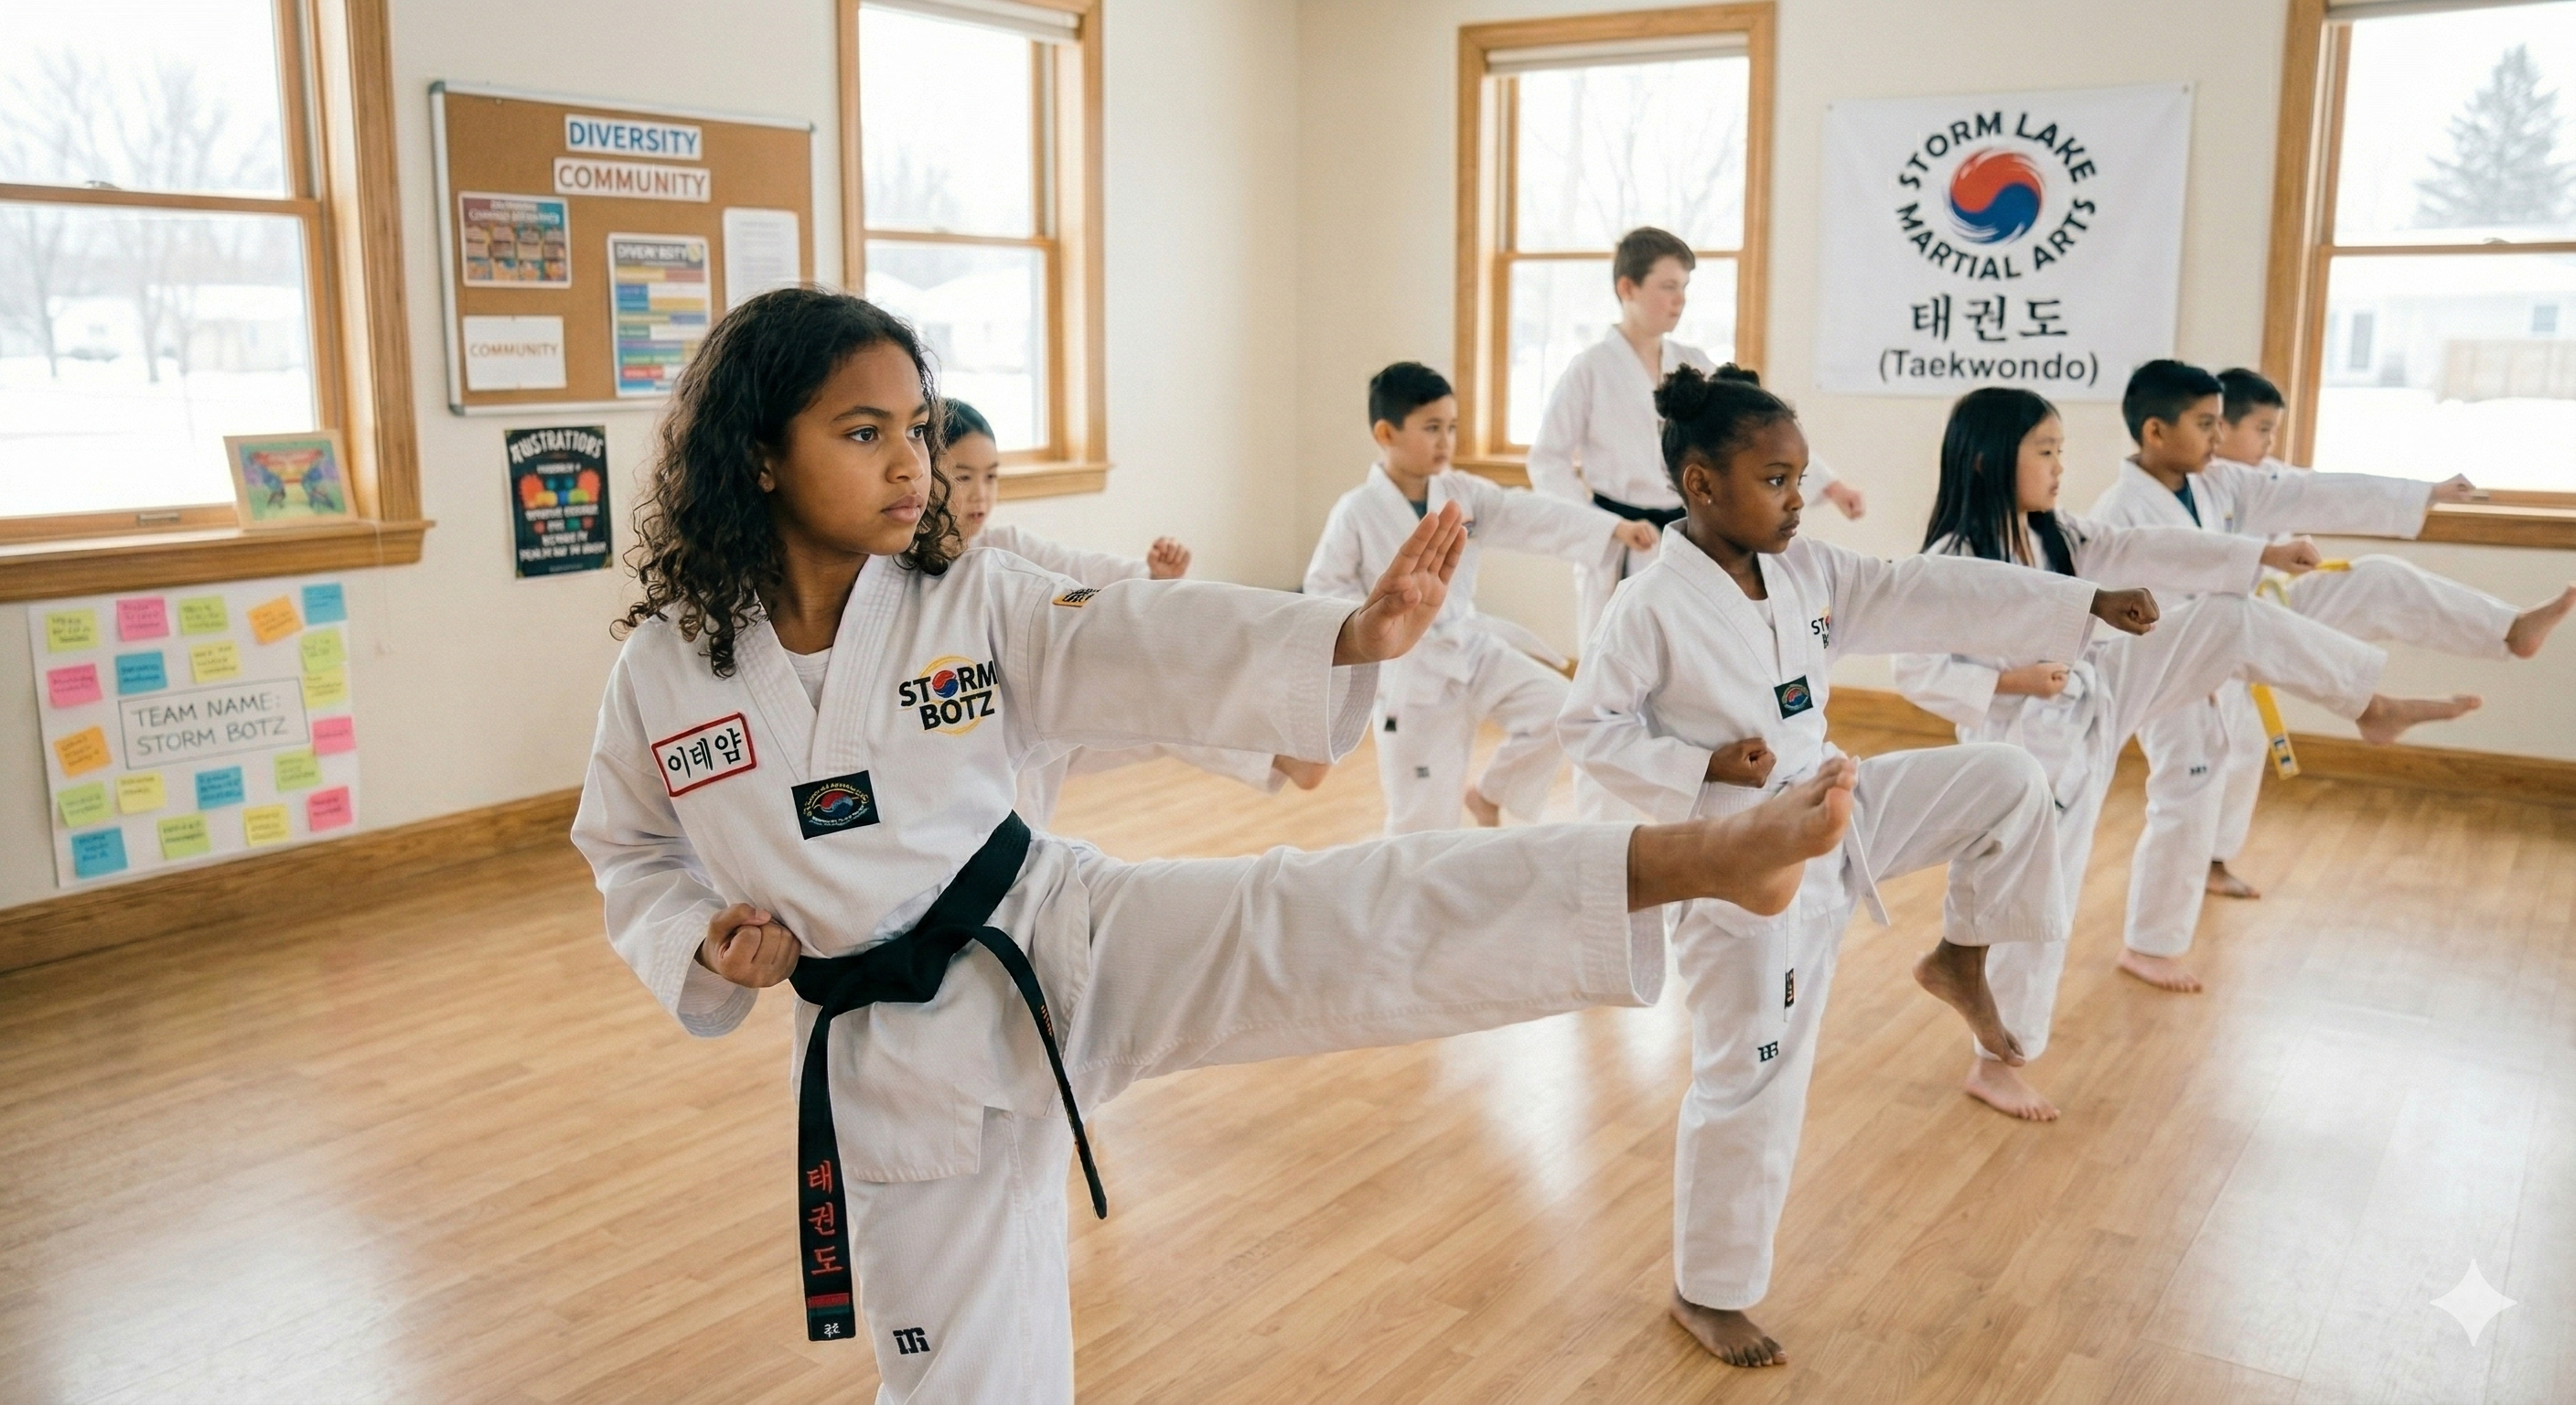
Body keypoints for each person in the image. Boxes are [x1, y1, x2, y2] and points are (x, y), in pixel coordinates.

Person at [572, 286, 1865, 1404]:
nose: (912, 465)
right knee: (958, 1369)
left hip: (1048, 928)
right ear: (756, 455)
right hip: (888, 1048)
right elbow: (627, 848)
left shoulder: (967, 595)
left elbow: (1135, 636)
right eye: (865, 435)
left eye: (917, 427)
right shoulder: (668, 669)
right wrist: (697, 933)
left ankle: (1687, 862)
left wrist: (1346, 638)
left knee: (1333, 918)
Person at [1559, 364, 2163, 1370]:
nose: (1798, 499)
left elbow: (1929, 589)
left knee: (2006, 778)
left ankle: (1960, 957)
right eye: (1776, 480)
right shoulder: (1647, 608)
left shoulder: (1807, 572)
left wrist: (2081, 601)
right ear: (1702, 485)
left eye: (1799, 478)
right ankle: (1708, 1292)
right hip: (1746, 864)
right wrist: (1699, 763)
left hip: (1837, 801)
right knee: (1752, 1079)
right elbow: (1588, 730)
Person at [1893, 386, 2481, 1120]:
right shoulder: (1952, 558)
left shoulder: (2062, 534)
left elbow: (2152, 548)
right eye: (2044, 451)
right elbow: (1913, 671)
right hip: (2029, 755)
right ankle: (1996, 1062)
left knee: (2227, 616)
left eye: (2061, 450)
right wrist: (2013, 679)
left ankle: (2371, 705)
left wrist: (2262, 550)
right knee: (2041, 911)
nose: (2058, 465)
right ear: (1986, 459)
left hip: (2099, 692)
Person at [2086, 361, 2567, 991]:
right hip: (2169, 659)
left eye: (2218, 424)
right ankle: (2148, 945)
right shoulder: (2119, 509)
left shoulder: (2222, 483)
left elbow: (2312, 492)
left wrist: (2422, 493)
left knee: (2376, 581)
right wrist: (2257, 556)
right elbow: (2150, 587)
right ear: (2155, 431)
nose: (2216, 436)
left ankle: (2504, 629)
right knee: (2191, 784)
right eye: (2205, 424)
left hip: (2247, 617)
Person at [938, 397, 1326, 826]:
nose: (981, 494)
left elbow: (1091, 578)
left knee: (1159, 699)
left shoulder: (1009, 545)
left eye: (991, 477)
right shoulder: (912, 570)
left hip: (1040, 727)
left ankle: (1282, 753)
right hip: (975, 740)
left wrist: (1155, 576)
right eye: (963, 477)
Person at [1305, 361, 1654, 831]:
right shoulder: (1356, 512)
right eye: (1431, 428)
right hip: (1411, 674)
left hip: (1470, 645)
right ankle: (1405, 897)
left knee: (1559, 711)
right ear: (1386, 433)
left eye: (1451, 427)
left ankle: (1491, 793)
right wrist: (1379, 621)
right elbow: (1324, 589)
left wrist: (1612, 527)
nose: (1446, 440)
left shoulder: (1461, 492)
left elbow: (1530, 514)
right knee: (1422, 819)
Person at [1526, 227, 1864, 649]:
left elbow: (1748, 435)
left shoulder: (1692, 362)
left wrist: (1829, 485)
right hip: (1621, 535)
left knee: (1693, 649)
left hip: (1687, 531)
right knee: (1615, 650)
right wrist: (1604, 527)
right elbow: (1548, 460)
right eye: (1668, 286)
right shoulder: (1589, 369)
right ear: (1627, 287)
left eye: (1684, 287)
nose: (1679, 299)